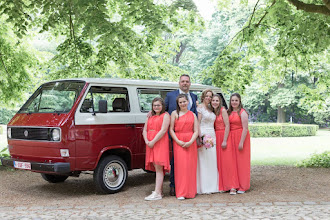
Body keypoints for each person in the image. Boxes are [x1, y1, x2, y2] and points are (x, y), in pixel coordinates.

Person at [165, 74, 198, 196]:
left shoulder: (194, 96)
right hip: (176, 137)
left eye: (187, 81)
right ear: (179, 83)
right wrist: (151, 112)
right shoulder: (170, 95)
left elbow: (196, 113)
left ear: (189, 83)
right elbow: (163, 109)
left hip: (190, 136)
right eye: (183, 81)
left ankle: (189, 188)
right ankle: (174, 186)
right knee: (175, 163)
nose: (185, 83)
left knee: (190, 163)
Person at [143, 97, 170, 200]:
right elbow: (144, 130)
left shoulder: (166, 115)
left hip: (159, 142)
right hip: (150, 143)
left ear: (162, 106)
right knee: (156, 167)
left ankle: (157, 193)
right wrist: (147, 141)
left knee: (159, 167)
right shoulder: (149, 116)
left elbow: (163, 130)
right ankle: (160, 191)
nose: (156, 107)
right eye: (154, 105)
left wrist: (153, 141)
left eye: (158, 105)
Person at [211, 94, 239, 194]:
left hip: (224, 136)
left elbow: (227, 126)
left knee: (228, 162)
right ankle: (224, 185)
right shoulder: (213, 111)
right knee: (220, 162)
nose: (215, 102)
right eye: (213, 100)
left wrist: (224, 140)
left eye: (217, 101)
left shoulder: (223, 110)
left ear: (220, 102)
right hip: (216, 137)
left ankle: (233, 186)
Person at [196, 89, 219, 194]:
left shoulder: (211, 109)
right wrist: (200, 137)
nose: (209, 98)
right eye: (207, 96)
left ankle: (213, 185)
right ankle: (204, 187)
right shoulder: (200, 108)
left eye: (210, 96)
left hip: (213, 135)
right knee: (204, 160)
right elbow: (198, 122)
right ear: (203, 97)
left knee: (212, 160)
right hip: (204, 134)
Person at [228, 93, 251, 194]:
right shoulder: (229, 112)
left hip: (241, 137)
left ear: (239, 101)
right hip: (231, 137)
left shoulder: (242, 112)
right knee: (232, 162)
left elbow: (245, 128)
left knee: (242, 162)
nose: (234, 102)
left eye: (236, 100)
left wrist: (241, 142)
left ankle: (243, 186)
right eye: (232, 100)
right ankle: (234, 185)